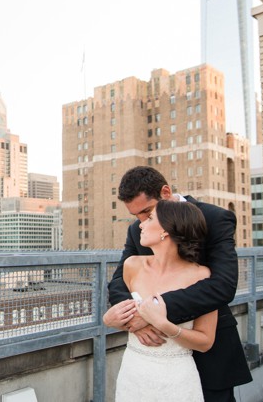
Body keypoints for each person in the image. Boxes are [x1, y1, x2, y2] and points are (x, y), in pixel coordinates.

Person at [108, 166, 252, 401]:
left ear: (166, 192)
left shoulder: (215, 217)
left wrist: (156, 312)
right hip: (150, 358)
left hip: (209, 347)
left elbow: (223, 285)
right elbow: (118, 282)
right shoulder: (137, 230)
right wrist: (136, 320)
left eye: (147, 212)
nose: (142, 222)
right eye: (136, 216)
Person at [103, 199, 215, 401]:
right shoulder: (132, 265)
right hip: (133, 373)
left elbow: (205, 342)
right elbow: (126, 312)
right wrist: (108, 321)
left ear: (166, 230)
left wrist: (164, 325)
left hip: (176, 380)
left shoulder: (201, 276)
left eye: (150, 218)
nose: (141, 224)